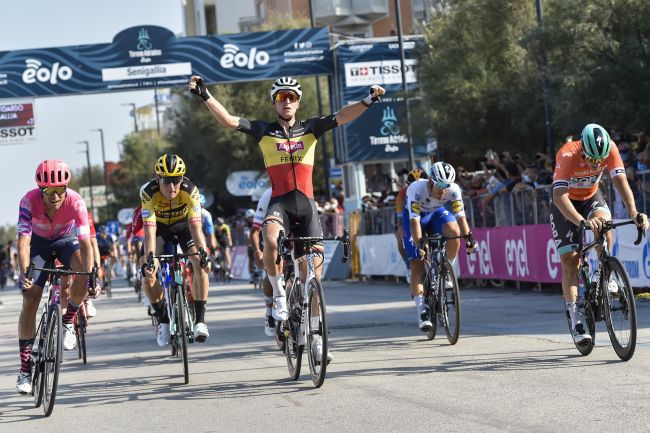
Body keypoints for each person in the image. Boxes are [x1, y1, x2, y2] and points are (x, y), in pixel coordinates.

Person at [190, 74, 384, 363]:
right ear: (274, 103)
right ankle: (279, 295)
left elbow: (343, 116)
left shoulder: (311, 127)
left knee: (314, 278)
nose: (287, 101)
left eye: (292, 97)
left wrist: (368, 101)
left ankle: (317, 338)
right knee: (269, 238)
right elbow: (230, 121)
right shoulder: (263, 130)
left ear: (298, 102)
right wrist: (206, 96)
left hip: (306, 206)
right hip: (279, 202)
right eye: (282, 97)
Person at [551, 123, 648, 344]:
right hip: (565, 202)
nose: (596, 164)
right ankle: (576, 320)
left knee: (605, 225)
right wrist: (582, 222)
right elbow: (559, 197)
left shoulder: (611, 148)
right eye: (592, 159)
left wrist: (633, 212)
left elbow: (620, 181)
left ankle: (605, 272)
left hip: (591, 197)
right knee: (570, 262)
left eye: (599, 160)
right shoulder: (567, 153)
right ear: (582, 148)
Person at [16, 160, 94, 394]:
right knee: (30, 298)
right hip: (38, 245)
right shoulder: (29, 201)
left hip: (65, 241)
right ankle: (24, 370)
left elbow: (85, 242)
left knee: (81, 270)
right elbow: (23, 242)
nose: (55, 196)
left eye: (60, 190)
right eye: (50, 191)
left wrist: (90, 276)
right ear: (41, 190)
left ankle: (68, 320)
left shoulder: (76, 201)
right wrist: (25, 272)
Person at [141, 154, 211, 346]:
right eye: (166, 181)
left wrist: (204, 253)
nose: (172, 187)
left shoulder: (191, 191)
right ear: (158, 179)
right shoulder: (148, 192)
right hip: (159, 230)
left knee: (200, 263)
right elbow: (149, 231)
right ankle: (163, 319)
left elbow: (196, 229)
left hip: (184, 228)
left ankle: (200, 321)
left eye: (176, 181)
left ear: (182, 178)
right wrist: (150, 259)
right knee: (148, 274)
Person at [403, 162, 477, 332]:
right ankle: (421, 310)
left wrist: (469, 237)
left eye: (447, 186)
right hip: (415, 218)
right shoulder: (416, 188)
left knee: (454, 231)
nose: (444, 191)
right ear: (430, 180)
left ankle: (446, 269)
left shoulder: (453, 189)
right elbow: (414, 221)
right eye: (440, 186)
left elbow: (460, 215)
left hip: (436, 213)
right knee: (416, 263)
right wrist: (419, 242)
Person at [248, 188, 276, 336]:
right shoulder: (268, 195)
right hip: (273, 235)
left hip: (294, 233)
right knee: (270, 272)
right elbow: (254, 231)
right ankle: (270, 309)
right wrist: (257, 251)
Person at [395, 168, 428, 281]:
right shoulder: (402, 194)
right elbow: (401, 220)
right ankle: (408, 266)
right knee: (401, 239)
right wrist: (401, 233)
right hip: (409, 219)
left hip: (425, 217)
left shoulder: (432, 189)